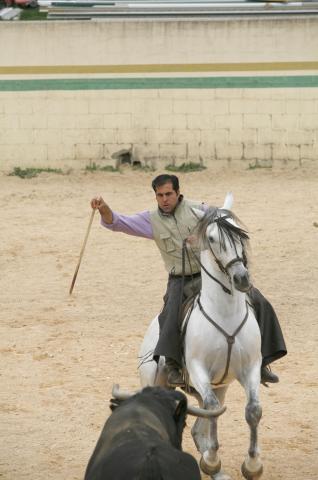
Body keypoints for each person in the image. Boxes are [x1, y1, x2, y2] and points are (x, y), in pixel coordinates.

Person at [91, 174, 287, 387]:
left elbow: (223, 221)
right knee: (169, 315)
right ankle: (173, 366)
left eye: (169, 194)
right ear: (155, 196)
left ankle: (263, 361)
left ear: (177, 192)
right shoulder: (151, 220)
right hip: (179, 280)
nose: (165, 199)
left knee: (258, 301)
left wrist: (201, 236)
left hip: (210, 276)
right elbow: (119, 222)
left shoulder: (200, 211)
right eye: (160, 195)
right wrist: (104, 209)